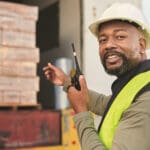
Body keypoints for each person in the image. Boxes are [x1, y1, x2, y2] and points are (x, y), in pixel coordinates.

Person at [43, 2, 150, 150]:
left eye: (120, 36)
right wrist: (66, 81)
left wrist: (81, 112)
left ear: (142, 45)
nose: (108, 45)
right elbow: (107, 104)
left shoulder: (146, 96)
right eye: (102, 40)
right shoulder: (138, 82)